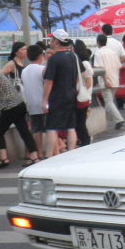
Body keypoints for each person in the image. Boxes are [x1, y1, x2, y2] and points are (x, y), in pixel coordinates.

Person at [42, 29, 79, 158]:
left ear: (57, 42)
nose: (51, 42)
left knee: (52, 127)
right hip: (71, 94)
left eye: (52, 40)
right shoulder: (72, 56)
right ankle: (71, 153)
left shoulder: (54, 59)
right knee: (70, 126)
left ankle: (48, 157)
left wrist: (45, 100)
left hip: (57, 97)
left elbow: (49, 81)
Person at [0, 73, 40, 168]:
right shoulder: (0, 75)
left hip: (10, 108)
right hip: (19, 105)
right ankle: (34, 157)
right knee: (24, 132)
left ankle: (3, 159)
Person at [93, 34, 125, 130]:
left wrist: (106, 80)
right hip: (115, 78)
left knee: (109, 101)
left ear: (98, 42)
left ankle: (119, 119)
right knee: (109, 102)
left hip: (105, 80)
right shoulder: (113, 52)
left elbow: (100, 68)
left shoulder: (98, 53)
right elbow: (119, 65)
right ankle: (110, 119)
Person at [21, 44, 47, 156]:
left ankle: (39, 153)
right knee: (51, 130)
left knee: (37, 131)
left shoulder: (24, 71)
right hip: (44, 104)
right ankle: (53, 153)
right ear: (41, 55)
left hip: (31, 105)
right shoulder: (43, 69)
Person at [73, 39, 93, 147]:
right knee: (81, 122)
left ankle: (85, 141)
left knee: (79, 122)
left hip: (81, 96)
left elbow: (88, 80)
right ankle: (84, 140)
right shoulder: (84, 62)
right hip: (85, 96)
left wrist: (81, 90)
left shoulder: (81, 63)